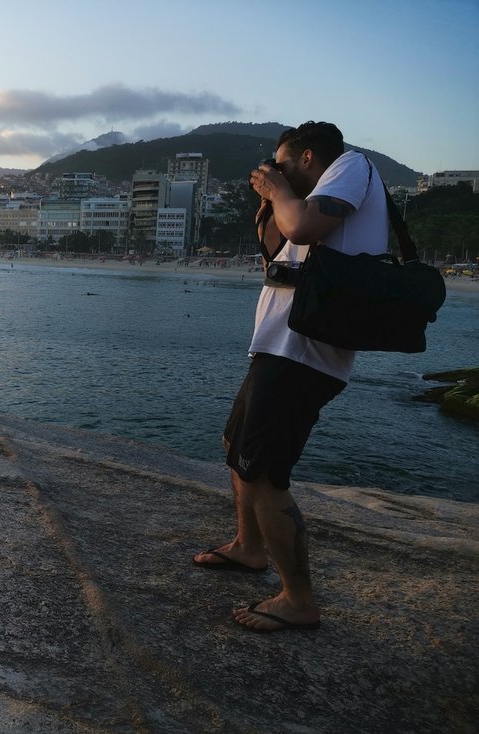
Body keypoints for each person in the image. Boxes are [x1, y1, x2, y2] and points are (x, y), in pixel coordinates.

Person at [192, 121, 388, 631]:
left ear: (306, 158)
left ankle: (298, 600)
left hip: (306, 355)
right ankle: (248, 548)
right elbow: (278, 244)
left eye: (280, 164)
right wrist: (269, 200)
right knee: (237, 447)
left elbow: (301, 229)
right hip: (278, 347)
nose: (274, 174)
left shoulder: (351, 166)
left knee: (264, 474)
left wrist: (280, 190)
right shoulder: (302, 198)